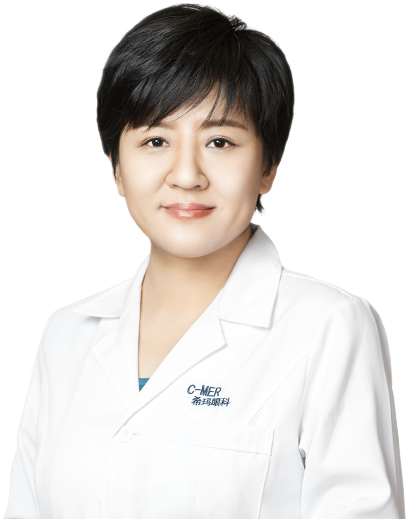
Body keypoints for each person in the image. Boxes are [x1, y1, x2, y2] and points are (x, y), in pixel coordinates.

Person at [6, 4, 405, 518]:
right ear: (117, 168)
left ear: (268, 166)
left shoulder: (327, 329)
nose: (187, 175)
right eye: (155, 141)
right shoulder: (67, 339)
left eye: (220, 141)